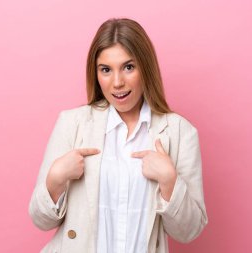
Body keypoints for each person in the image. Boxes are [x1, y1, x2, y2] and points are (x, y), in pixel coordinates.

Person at [29, 18, 208, 253]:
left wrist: (169, 181)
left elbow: (189, 231)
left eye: (128, 67)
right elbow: (41, 220)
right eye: (106, 70)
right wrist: (55, 179)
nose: (117, 83)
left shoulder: (180, 132)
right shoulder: (72, 124)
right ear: (96, 74)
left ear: (146, 68)